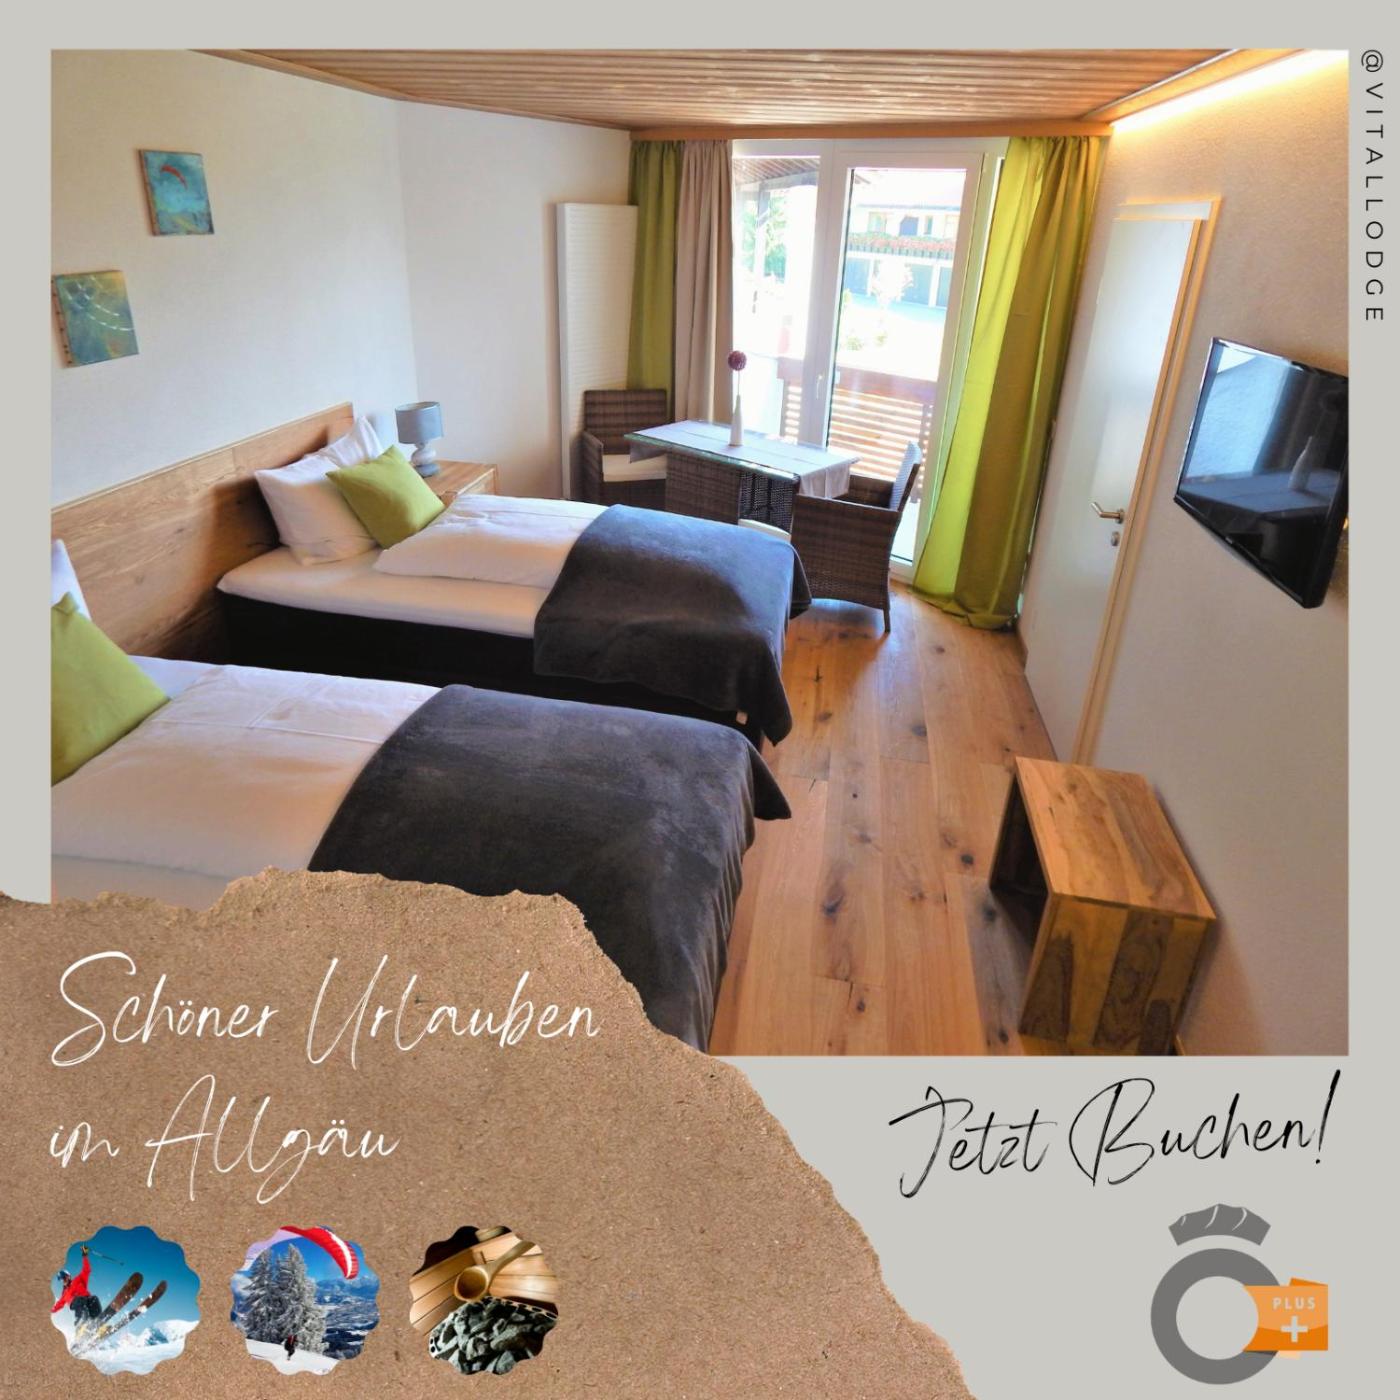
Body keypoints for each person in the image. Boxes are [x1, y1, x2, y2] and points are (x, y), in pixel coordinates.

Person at [52, 1245, 102, 1326]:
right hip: (77, 1304)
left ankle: (98, 1320)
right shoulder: (64, 1293)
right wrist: (49, 1310)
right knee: (80, 1300)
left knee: (94, 1299)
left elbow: (86, 1270)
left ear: (68, 1276)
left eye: (64, 1278)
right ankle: (81, 1322)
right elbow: (58, 1305)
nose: (64, 1281)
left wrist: (84, 1255)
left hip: (86, 1300)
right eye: (62, 1280)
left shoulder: (78, 1279)